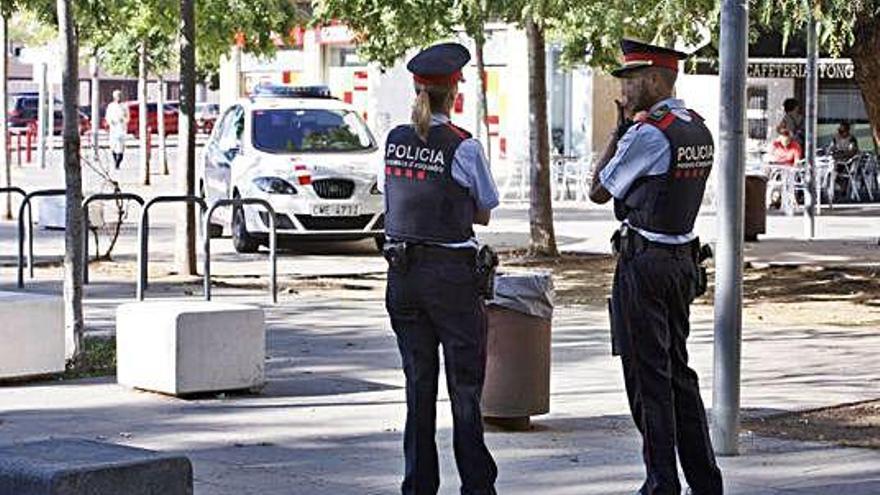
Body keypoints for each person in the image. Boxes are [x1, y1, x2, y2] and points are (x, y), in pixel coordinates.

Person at [588, 39, 724, 495]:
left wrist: (617, 130)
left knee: (649, 379)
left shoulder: (648, 133)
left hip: (645, 263)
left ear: (653, 80)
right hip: (682, 261)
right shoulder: (695, 128)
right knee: (679, 374)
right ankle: (705, 480)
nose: (623, 91)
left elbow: (598, 189)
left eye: (629, 81)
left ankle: (661, 482)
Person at [380, 42, 499, 495]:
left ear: (416, 88)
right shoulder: (463, 147)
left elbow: (395, 197)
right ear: (455, 92)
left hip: (403, 276)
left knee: (418, 388)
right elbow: (485, 209)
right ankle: (476, 487)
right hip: (451, 278)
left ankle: (418, 486)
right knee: (465, 389)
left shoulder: (395, 139)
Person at [105, 90, 129, 169]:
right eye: (117, 96)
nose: (118, 98)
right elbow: (108, 116)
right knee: (113, 146)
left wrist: (124, 120)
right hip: (113, 128)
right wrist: (110, 121)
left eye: (119, 96)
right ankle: (115, 160)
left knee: (120, 146)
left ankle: (118, 163)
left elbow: (127, 117)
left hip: (121, 128)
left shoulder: (124, 106)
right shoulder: (111, 106)